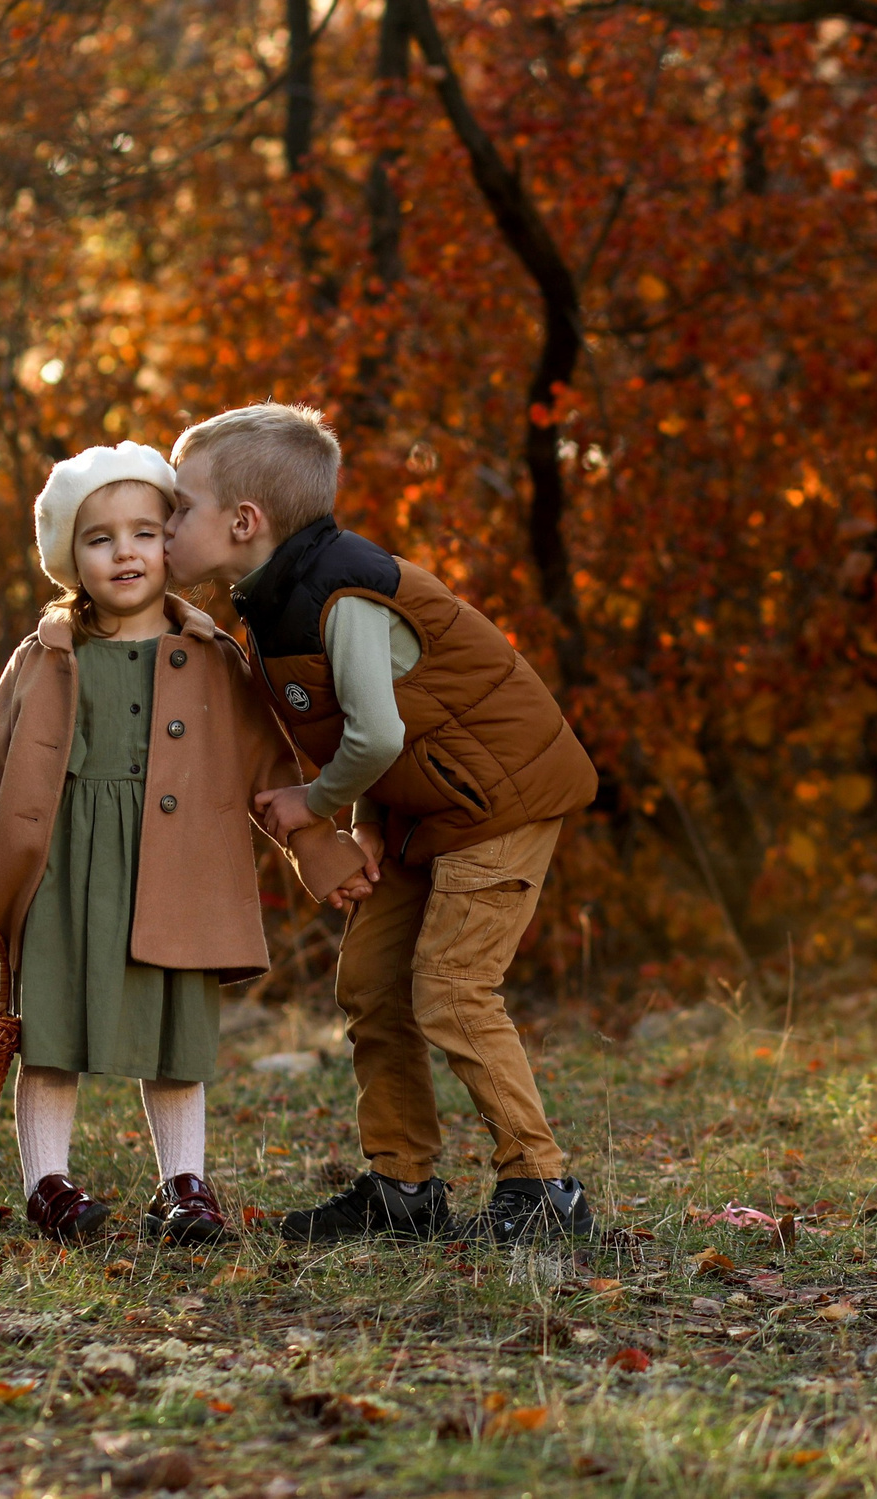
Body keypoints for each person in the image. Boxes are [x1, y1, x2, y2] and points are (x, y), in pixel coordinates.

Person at [162, 403, 600, 1244]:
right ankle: (404, 1187)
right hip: (417, 807)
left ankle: (544, 1184)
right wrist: (362, 822)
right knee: (368, 982)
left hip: (495, 800)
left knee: (452, 989)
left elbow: (376, 733)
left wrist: (315, 803)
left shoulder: (340, 592)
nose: (166, 524)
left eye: (180, 507)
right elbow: (365, 722)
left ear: (245, 522)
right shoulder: (267, 597)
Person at [0, 442, 367, 1245]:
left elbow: (271, 770)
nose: (124, 552)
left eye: (143, 531)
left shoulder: (212, 657)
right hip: (64, 871)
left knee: (175, 1033)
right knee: (52, 1030)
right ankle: (48, 1183)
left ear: (171, 541)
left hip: (180, 872)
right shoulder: (42, 658)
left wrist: (326, 851)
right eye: (99, 538)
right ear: (70, 558)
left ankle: (183, 1184)